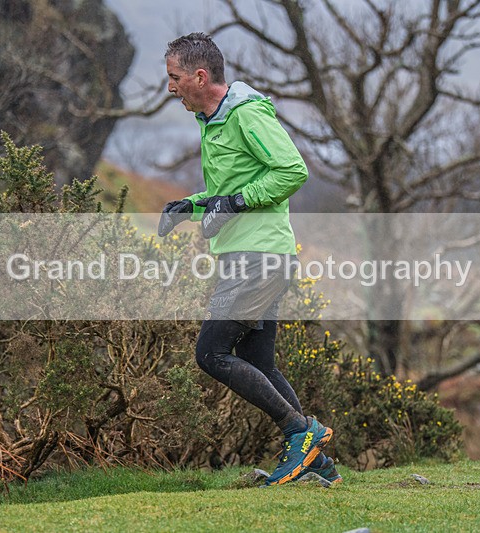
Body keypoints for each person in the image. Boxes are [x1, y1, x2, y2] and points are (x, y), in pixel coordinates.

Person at [158, 32, 341, 486]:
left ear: (200, 76)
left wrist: (235, 203)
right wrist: (193, 206)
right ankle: (317, 464)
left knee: (212, 353)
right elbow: (230, 191)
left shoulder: (245, 114)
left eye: (174, 78)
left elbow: (292, 170)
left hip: (258, 257)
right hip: (256, 255)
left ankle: (302, 433)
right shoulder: (213, 120)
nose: (170, 87)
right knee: (259, 362)